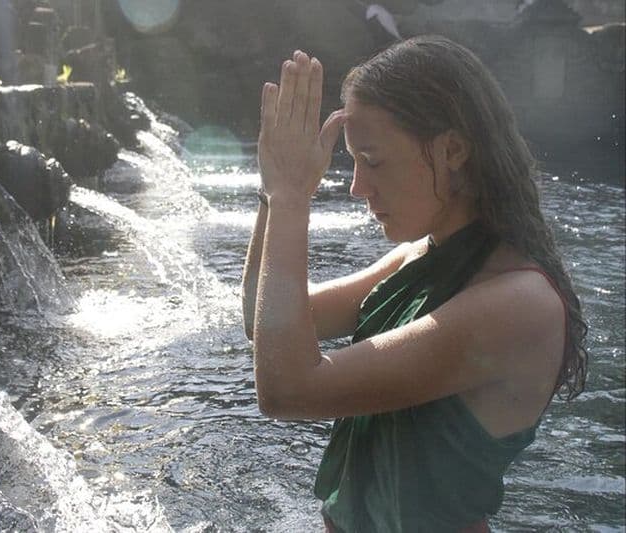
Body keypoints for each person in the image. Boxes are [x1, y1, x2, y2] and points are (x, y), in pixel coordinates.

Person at [241, 35, 588, 532]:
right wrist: (273, 191)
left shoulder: (518, 303)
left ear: (452, 150)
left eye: (373, 160)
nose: (358, 185)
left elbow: (288, 389)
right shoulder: (416, 256)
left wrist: (292, 195)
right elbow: (263, 318)